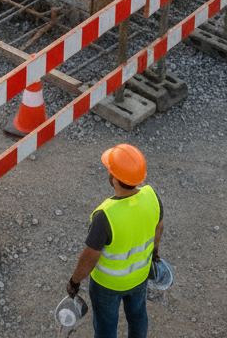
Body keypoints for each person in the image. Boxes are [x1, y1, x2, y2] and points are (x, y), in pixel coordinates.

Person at [65, 144, 164, 338]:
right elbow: (158, 229)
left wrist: (74, 281)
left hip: (107, 286)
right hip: (139, 278)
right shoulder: (152, 197)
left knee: (106, 326)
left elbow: (90, 258)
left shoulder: (105, 215)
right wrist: (155, 254)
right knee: (137, 317)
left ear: (114, 178)